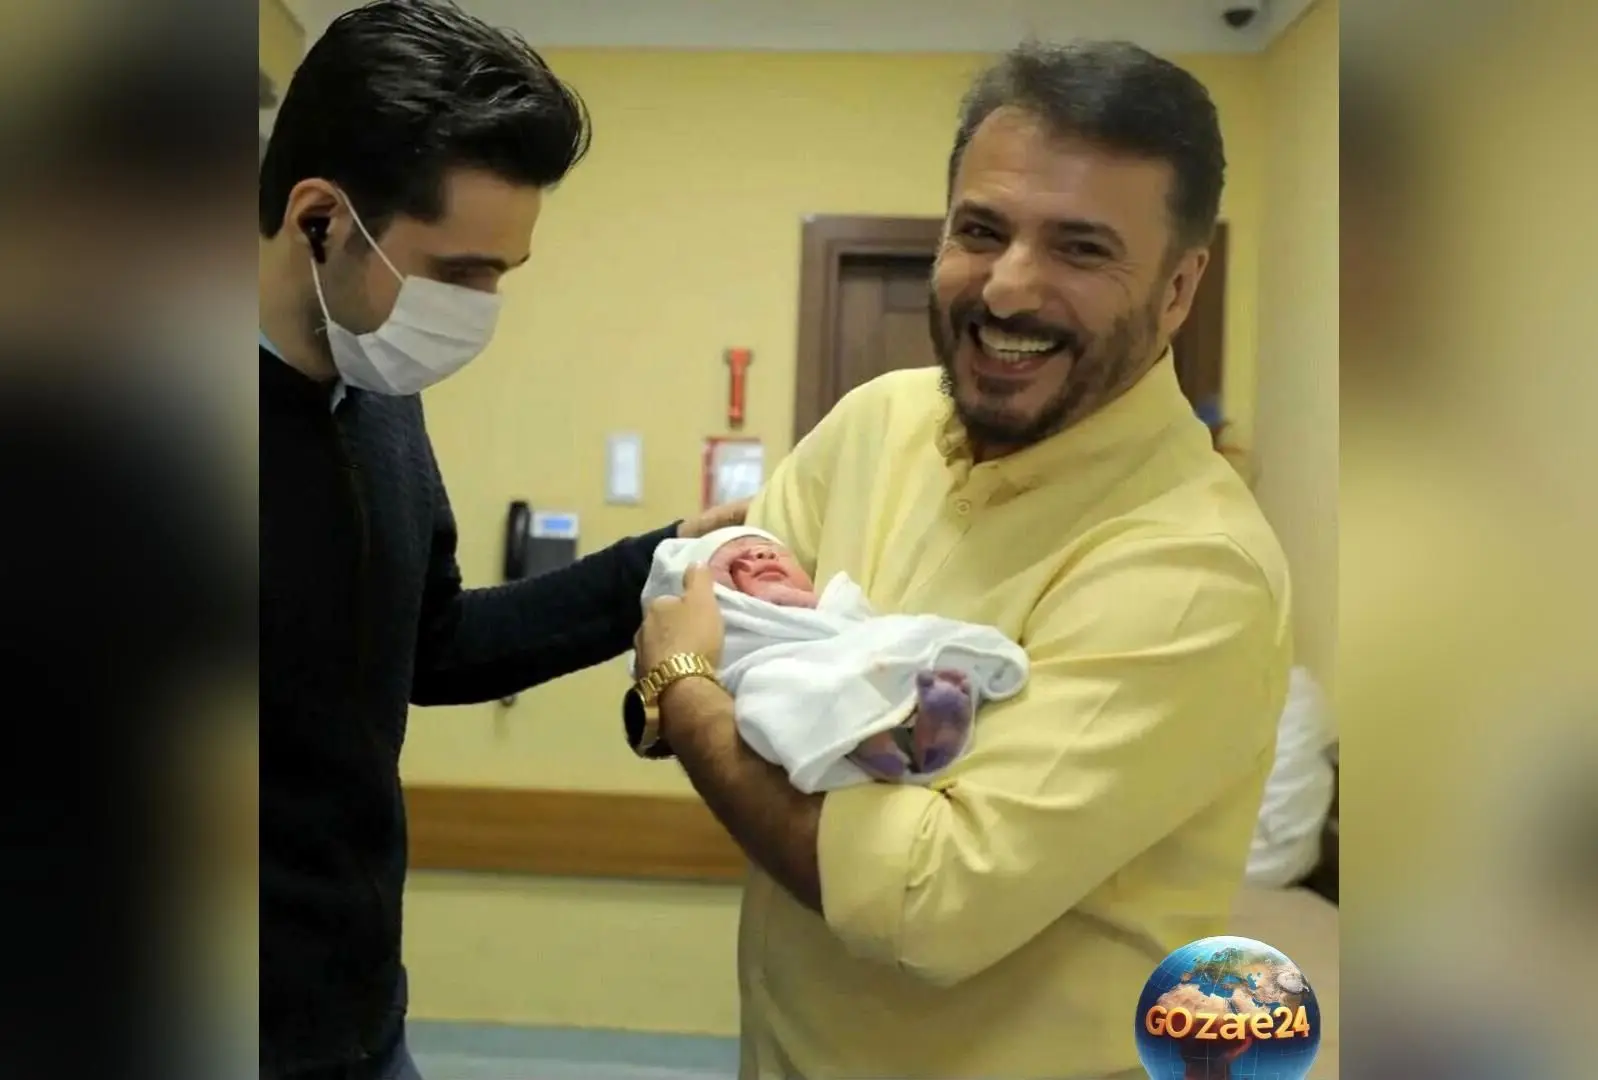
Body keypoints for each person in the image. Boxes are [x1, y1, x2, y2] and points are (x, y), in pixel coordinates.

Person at [632, 40, 1293, 1078]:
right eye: (981, 231)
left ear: (1177, 287)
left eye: (1081, 249)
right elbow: (724, 621)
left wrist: (679, 688)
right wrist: (702, 679)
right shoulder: (875, 424)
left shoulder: (1194, 567)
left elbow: (921, 903)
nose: (1009, 289)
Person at [257, 3, 744, 1078]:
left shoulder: (380, 399)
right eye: (461, 272)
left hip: (356, 1017)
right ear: (320, 219)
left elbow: (430, 646)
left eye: (502, 275)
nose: (480, 308)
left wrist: (664, 560)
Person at [634, 527, 1029, 788]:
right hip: (777, 666)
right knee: (775, 692)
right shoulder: (731, 621)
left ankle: (931, 716)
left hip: (846, 655)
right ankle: (870, 740)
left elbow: (861, 625)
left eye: (771, 552)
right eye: (738, 563)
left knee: (908, 636)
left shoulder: (833, 602)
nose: (760, 557)